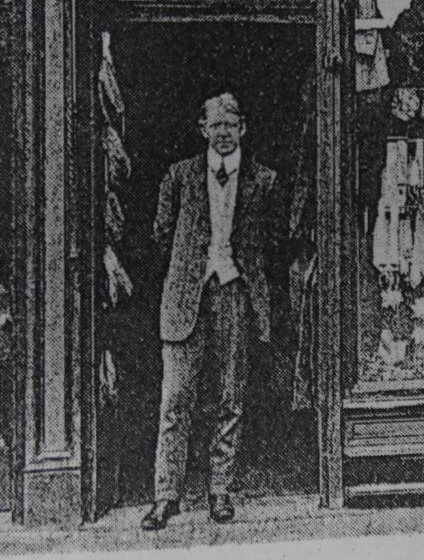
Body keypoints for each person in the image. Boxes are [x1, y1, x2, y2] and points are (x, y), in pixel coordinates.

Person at [141, 91, 280, 530]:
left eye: (231, 124)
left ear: (243, 128)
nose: (223, 133)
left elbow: (271, 241)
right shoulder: (179, 176)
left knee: (229, 398)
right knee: (175, 401)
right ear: (202, 129)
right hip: (186, 299)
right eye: (215, 125)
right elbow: (162, 234)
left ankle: (221, 491)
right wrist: (191, 270)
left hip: (234, 296)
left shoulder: (263, 180)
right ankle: (166, 496)